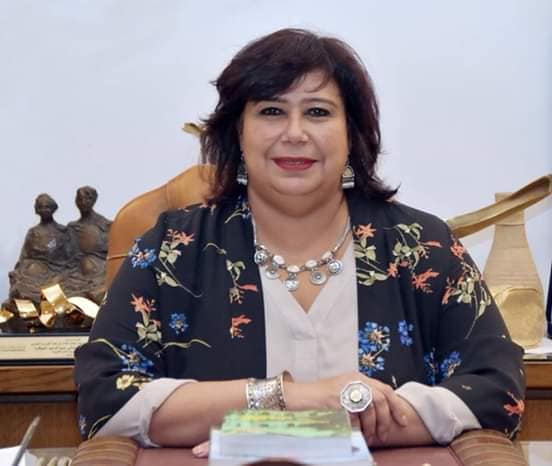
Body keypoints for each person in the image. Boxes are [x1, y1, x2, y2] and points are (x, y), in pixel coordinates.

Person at [74, 28, 525, 453]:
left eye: (318, 112)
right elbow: (104, 397)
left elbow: (496, 389)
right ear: (238, 132)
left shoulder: (422, 248)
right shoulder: (173, 251)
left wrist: (318, 430)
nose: (294, 133)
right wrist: (286, 401)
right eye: (271, 111)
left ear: (352, 133)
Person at [8, 193, 73, 307]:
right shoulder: (33, 232)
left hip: (57, 269)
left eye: (47, 207)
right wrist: (18, 270)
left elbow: (70, 256)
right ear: (37, 210)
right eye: (41, 207)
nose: (44, 210)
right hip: (35, 270)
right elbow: (24, 255)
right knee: (20, 285)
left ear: (53, 209)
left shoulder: (62, 231)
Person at [65, 186, 112, 303]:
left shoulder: (105, 225)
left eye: (88, 198)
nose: (83, 202)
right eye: (80, 199)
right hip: (78, 271)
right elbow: (67, 255)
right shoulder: (72, 227)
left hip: (101, 269)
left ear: (94, 200)